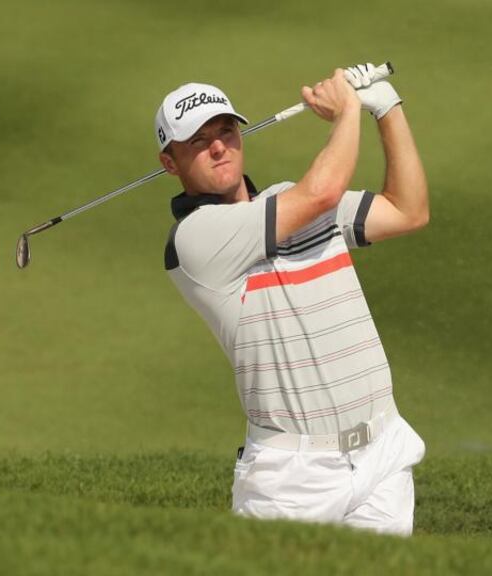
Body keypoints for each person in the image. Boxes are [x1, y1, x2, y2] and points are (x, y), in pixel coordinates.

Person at [156, 64, 429, 536]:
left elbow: (408, 211)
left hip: (382, 449)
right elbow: (321, 193)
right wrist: (347, 111)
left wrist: (386, 108)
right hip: (293, 478)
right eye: (198, 142)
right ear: (169, 163)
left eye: (225, 131)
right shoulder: (194, 241)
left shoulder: (289, 200)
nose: (218, 146)